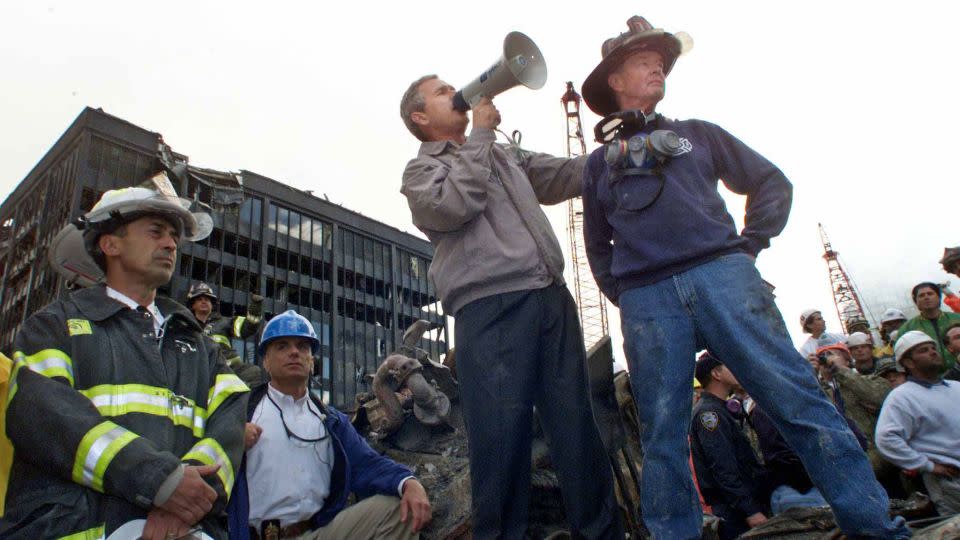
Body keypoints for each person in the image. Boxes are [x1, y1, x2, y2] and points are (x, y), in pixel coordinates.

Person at [579, 15, 909, 539]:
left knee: (798, 401)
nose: (657, 68)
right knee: (663, 434)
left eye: (660, 62)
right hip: (648, 300)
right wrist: (628, 293)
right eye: (643, 62)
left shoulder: (697, 135)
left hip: (723, 276)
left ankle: (873, 527)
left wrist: (749, 246)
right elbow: (597, 245)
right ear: (614, 80)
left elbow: (769, 181)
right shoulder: (598, 166)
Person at [398, 76, 620, 538]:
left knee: (577, 430)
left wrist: (617, 155)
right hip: (490, 309)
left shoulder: (501, 154)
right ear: (420, 117)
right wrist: (480, 134)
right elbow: (456, 203)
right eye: (441, 92)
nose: (454, 92)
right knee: (501, 443)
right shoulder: (420, 174)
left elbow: (562, 174)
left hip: (549, 297)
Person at [1, 186, 249, 539]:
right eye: (156, 231)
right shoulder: (54, 326)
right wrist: (163, 482)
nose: (170, 244)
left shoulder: (202, 347)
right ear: (110, 244)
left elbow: (229, 423)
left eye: (174, 237)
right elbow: (43, 415)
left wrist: (184, 502)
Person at [227, 310, 431, 539]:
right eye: (282, 346)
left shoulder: (330, 421)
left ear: (312, 360)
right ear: (265, 360)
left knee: (398, 511)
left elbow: (367, 463)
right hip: (258, 536)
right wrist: (230, 442)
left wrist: (408, 483)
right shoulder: (242, 412)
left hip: (315, 534)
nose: (294, 352)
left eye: (303, 346)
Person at [875, 331, 960, 515]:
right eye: (923, 350)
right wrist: (927, 465)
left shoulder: (956, 387)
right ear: (908, 363)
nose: (933, 352)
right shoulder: (902, 397)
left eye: (933, 348)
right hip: (952, 485)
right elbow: (886, 439)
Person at [689, 353, 769, 540]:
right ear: (717, 374)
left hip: (740, 507)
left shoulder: (720, 410)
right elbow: (723, 468)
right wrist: (750, 510)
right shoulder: (710, 415)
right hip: (735, 513)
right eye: (729, 365)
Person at [187, 282, 266, 386]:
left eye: (207, 299)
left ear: (212, 305)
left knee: (253, 372)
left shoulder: (224, 322)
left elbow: (247, 328)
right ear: (193, 305)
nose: (204, 301)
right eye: (199, 299)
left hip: (229, 370)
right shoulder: (186, 326)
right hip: (199, 371)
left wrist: (255, 309)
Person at [895, 282, 960, 369]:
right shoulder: (907, 328)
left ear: (939, 297)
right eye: (921, 295)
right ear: (916, 302)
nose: (926, 297)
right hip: (929, 378)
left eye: (930, 294)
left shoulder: (957, 318)